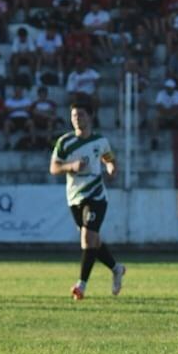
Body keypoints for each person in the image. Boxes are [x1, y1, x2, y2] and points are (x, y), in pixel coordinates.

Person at [48, 104, 125, 300]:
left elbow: (110, 159)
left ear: (90, 116)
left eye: (81, 114)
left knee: (87, 239)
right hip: (74, 197)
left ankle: (81, 285)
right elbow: (54, 168)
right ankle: (117, 269)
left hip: (97, 195)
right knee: (93, 241)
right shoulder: (65, 142)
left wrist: (111, 167)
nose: (76, 118)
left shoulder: (100, 141)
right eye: (73, 115)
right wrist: (71, 166)